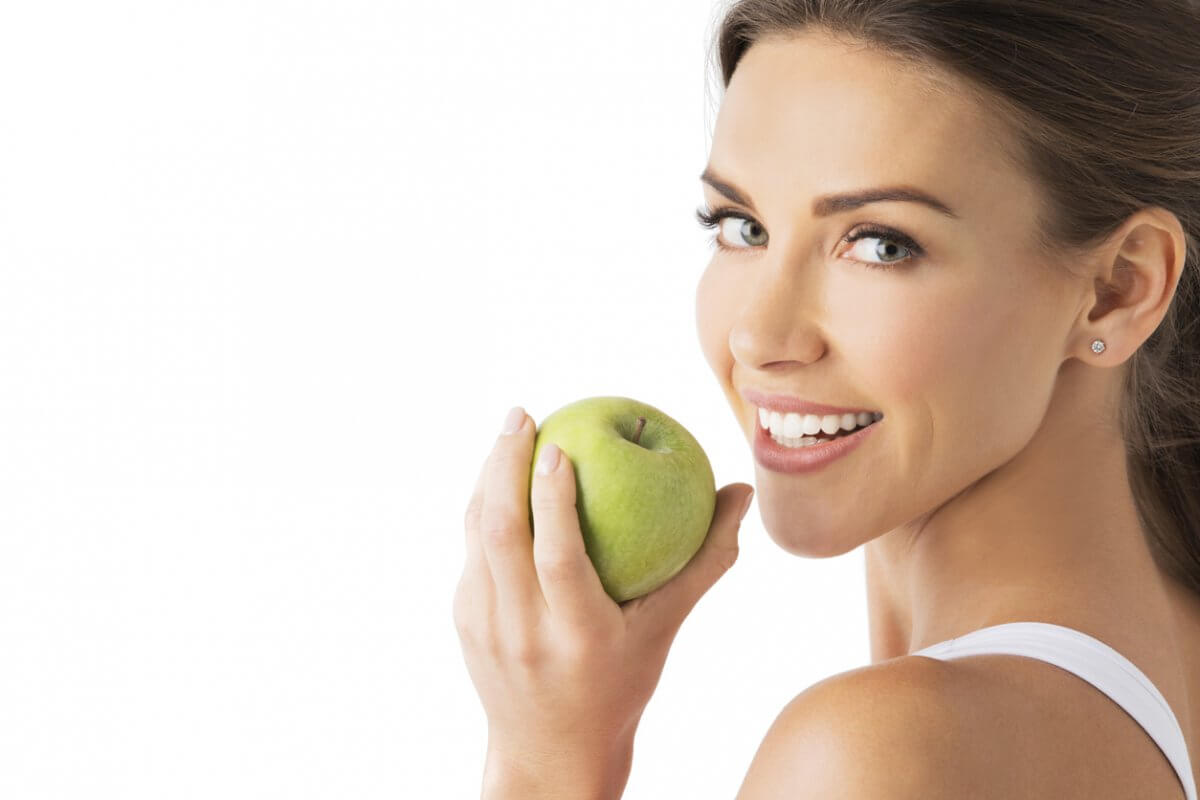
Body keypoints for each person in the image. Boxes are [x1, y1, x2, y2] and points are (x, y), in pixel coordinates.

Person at [454, 1, 1200, 797]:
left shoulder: (876, 754)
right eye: (740, 227)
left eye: (880, 244)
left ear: (1120, 288)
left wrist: (545, 760)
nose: (758, 335)